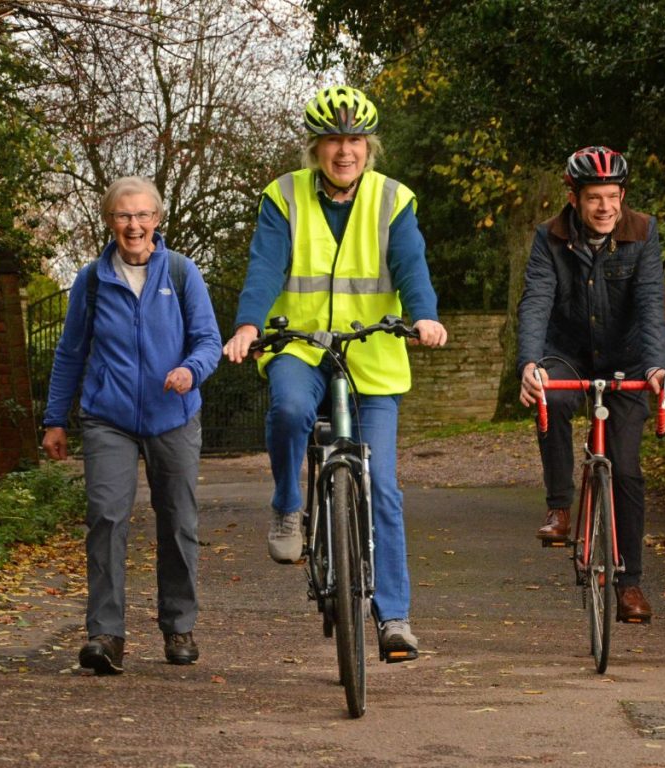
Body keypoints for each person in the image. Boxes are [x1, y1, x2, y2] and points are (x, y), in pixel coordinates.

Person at [222, 85, 447, 661]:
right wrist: (249, 325)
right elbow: (266, 266)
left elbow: (411, 265)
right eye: (332, 141)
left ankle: (394, 617)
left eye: (354, 140)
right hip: (300, 346)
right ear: (315, 148)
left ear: (368, 147)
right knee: (291, 409)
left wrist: (424, 317)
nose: (344, 151)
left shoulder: (392, 199)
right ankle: (286, 505)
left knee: (384, 487)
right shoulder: (284, 197)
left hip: (370, 352)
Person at [42, 176, 222, 675]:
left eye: (143, 215)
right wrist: (55, 419)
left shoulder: (183, 273)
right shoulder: (92, 280)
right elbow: (70, 352)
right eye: (124, 216)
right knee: (105, 516)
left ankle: (179, 625)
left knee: (179, 522)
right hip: (109, 419)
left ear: (158, 220)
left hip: (174, 417)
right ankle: (105, 634)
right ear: (109, 222)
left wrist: (191, 370)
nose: (134, 225)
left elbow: (209, 340)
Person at [517, 146, 665, 624]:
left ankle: (629, 585)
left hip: (628, 360)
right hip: (565, 350)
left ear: (623, 196)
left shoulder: (643, 233)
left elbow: (651, 305)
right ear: (574, 198)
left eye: (613, 197)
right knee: (555, 395)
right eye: (594, 198)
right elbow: (535, 303)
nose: (605, 208)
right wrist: (530, 364)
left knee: (626, 470)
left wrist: (656, 368)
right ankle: (560, 508)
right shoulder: (549, 238)